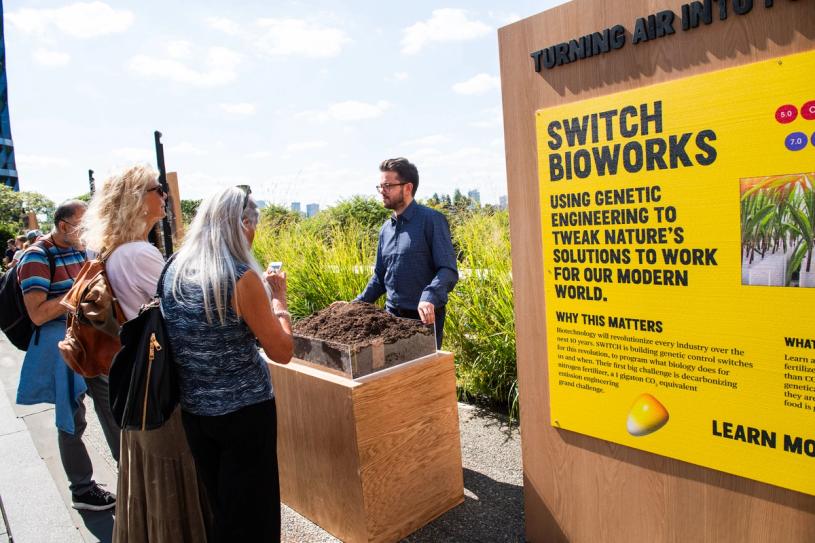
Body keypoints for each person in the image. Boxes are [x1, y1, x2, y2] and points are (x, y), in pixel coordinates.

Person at [81, 164, 210, 541]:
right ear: (136, 200)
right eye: (158, 189)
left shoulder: (114, 251)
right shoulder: (139, 254)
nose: (164, 195)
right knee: (175, 475)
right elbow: (187, 312)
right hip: (163, 384)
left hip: (140, 380)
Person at [160, 186, 293, 542]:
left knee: (225, 508)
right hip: (245, 414)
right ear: (243, 225)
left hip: (196, 413)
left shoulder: (174, 269)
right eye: (253, 225)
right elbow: (281, 351)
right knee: (255, 516)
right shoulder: (238, 277)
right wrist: (279, 301)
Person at [16, 200, 119, 510]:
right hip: (62, 347)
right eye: (82, 224)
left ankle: (131, 476)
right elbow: (37, 314)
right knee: (71, 419)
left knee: (113, 410)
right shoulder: (35, 256)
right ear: (63, 226)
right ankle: (82, 489)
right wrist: (80, 293)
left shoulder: (79, 250)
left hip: (90, 343)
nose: (88, 230)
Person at [354, 157, 458, 348]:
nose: (382, 191)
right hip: (391, 320)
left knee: (421, 377)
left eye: (387, 185)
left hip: (424, 322)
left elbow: (448, 270)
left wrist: (429, 297)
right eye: (380, 186)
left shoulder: (432, 220)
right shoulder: (385, 229)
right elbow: (380, 277)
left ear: (408, 188)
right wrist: (355, 304)